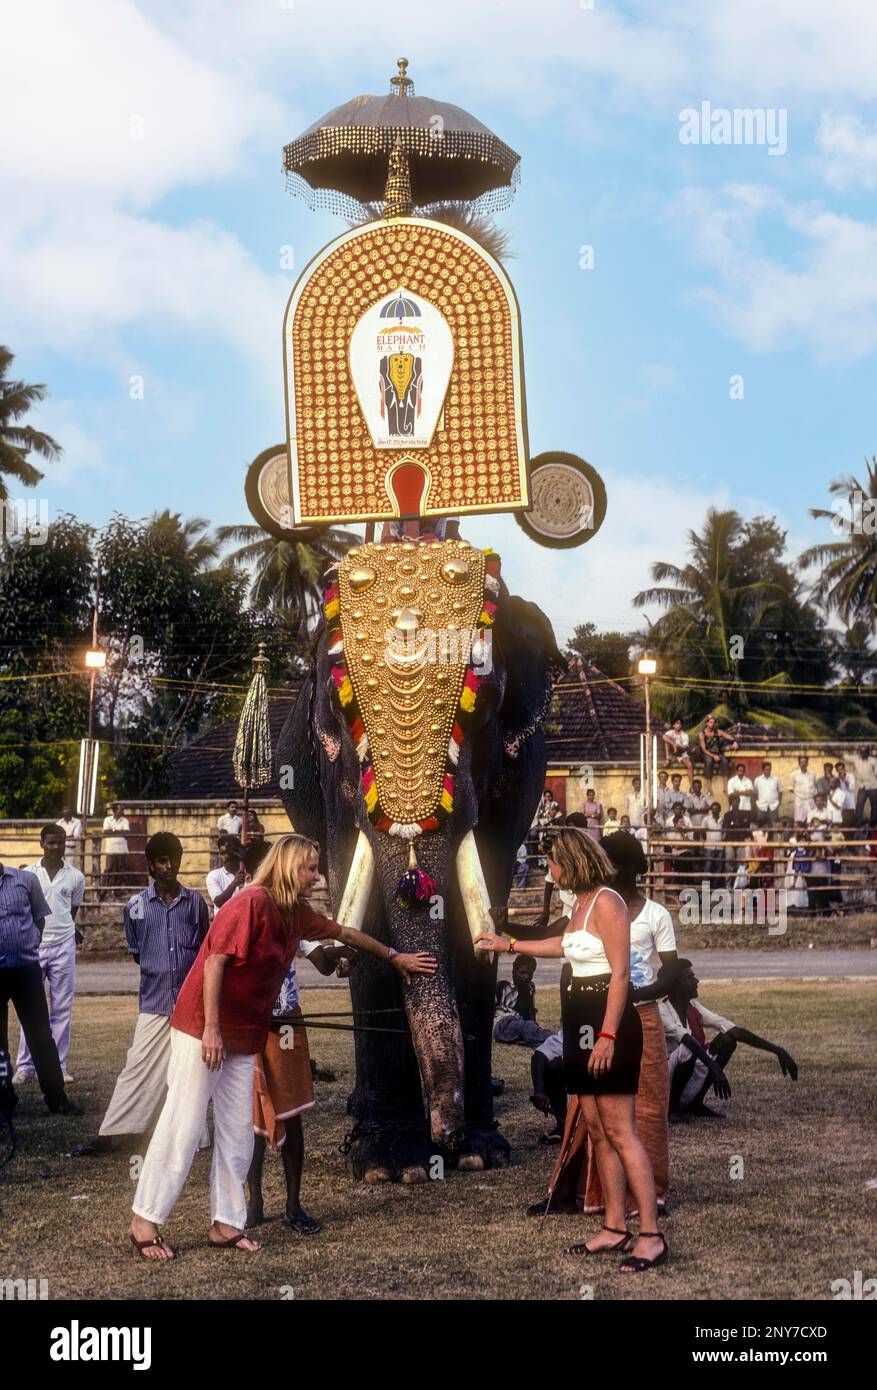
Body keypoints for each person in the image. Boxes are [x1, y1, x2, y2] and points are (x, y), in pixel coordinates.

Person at [128, 833, 437, 1259]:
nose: (316, 876)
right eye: (309, 868)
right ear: (289, 867)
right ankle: (144, 1220)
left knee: (238, 1131)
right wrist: (212, 1029)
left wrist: (393, 956)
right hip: (205, 1027)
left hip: (246, 1033)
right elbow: (215, 961)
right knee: (184, 1123)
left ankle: (226, 1223)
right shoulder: (250, 903)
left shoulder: (296, 913)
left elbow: (345, 931)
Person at [477, 827, 667, 1272]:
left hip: (609, 1023)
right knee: (598, 1130)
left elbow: (621, 974)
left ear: (573, 860)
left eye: (554, 863)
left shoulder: (607, 903)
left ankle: (652, 1235)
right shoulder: (579, 904)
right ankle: (615, 1226)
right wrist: (507, 944)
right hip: (580, 1019)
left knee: (622, 1131)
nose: (550, 871)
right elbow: (563, 945)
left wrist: (608, 1035)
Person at [73, 832, 209, 1157]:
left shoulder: (195, 903)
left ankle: (196, 1137)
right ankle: (113, 1132)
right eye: (163, 860)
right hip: (155, 1001)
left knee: (191, 1070)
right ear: (151, 865)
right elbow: (138, 953)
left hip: (191, 1003)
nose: (170, 865)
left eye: (174, 858)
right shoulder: (135, 908)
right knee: (136, 1068)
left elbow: (205, 951)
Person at [245, 841, 353, 1235]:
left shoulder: (293, 912)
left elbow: (321, 961)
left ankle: (293, 1204)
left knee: (289, 1110)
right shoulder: (243, 907)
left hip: (286, 1023)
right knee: (251, 1116)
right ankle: (253, 1202)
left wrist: (342, 954)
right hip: (251, 1023)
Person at [661, 960, 797, 1118]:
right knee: (688, 1048)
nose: (696, 981)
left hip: (690, 1069)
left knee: (728, 1040)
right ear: (675, 985)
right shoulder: (662, 1011)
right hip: (667, 1080)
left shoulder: (693, 1006)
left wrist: (777, 1050)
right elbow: (687, 1041)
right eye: (690, 978)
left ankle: (696, 1103)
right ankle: (672, 1110)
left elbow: (734, 1031)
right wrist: (713, 1066)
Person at [1, 856, 82, 1116]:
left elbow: (40, 919)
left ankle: (57, 1098)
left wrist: (28, 944)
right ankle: (4, 1100)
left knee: (41, 1036)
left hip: (26, 970)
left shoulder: (25, 880)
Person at [13, 824, 85, 1086]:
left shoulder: (75, 876)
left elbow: (71, 910)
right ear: (42, 843)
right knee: (30, 1007)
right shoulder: (29, 875)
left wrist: (69, 931)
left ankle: (59, 1065)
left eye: (60, 842)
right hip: (34, 947)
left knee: (62, 1008)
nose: (56, 847)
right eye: (51, 843)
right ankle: (25, 1066)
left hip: (64, 946)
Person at [493, 954, 553, 1047]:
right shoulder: (503, 987)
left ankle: (553, 1041)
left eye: (529, 974)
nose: (526, 977)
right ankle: (555, 1038)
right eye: (522, 973)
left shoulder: (530, 988)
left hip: (520, 1024)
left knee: (531, 1036)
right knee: (526, 1028)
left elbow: (531, 1015)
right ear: (513, 972)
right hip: (503, 1023)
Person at [530, 1031, 566, 1141]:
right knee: (552, 1064)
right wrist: (539, 1091)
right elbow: (541, 1053)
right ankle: (563, 1125)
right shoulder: (577, 1026)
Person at [206, 836, 247, 912]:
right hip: (224, 922)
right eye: (223, 853)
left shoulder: (248, 875)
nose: (226, 857)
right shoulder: (214, 876)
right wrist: (234, 883)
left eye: (230, 853)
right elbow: (219, 902)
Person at [698, 715, 738, 791]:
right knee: (709, 761)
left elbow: (729, 737)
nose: (712, 724)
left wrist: (734, 742)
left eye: (713, 722)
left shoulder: (718, 732)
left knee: (725, 762)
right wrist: (713, 756)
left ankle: (725, 786)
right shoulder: (702, 734)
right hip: (706, 752)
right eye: (710, 722)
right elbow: (703, 749)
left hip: (717, 751)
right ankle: (709, 786)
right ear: (707, 723)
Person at [100, 802, 130, 899]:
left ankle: (118, 890)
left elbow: (126, 833)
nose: (122, 812)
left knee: (120, 869)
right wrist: (118, 832)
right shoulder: (107, 820)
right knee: (108, 869)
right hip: (111, 849)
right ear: (115, 810)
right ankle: (103, 890)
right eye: (120, 810)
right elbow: (106, 832)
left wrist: (113, 831)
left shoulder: (125, 820)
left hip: (122, 849)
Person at [852, 746, 877, 826]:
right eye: (861, 752)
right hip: (862, 786)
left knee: (874, 805)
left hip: (873, 786)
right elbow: (845, 756)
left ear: (868, 752)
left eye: (865, 752)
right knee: (859, 804)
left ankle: (873, 823)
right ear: (859, 752)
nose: (863, 753)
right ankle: (858, 824)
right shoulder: (856, 759)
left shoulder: (873, 760)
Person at [790, 755, 817, 826]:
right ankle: (799, 836)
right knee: (799, 822)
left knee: (811, 821)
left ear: (807, 763)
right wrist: (800, 795)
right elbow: (791, 789)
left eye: (805, 762)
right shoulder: (793, 774)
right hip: (799, 800)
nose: (803, 764)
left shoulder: (812, 774)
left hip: (810, 800)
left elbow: (814, 786)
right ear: (799, 763)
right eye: (801, 762)